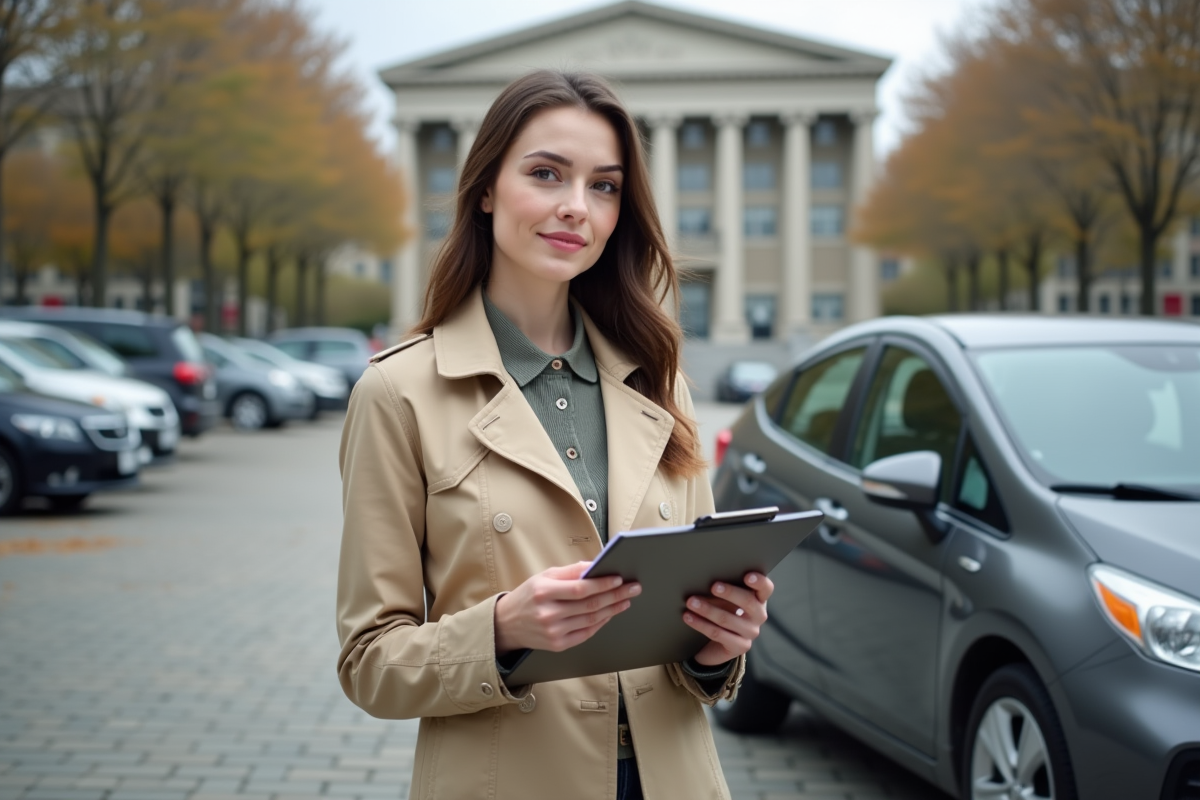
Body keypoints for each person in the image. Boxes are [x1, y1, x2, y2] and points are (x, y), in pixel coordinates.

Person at [336, 69, 774, 800]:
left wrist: (719, 647)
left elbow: (694, 657)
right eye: (546, 174)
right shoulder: (398, 392)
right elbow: (368, 664)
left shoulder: (661, 383)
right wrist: (501, 630)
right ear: (485, 189)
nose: (576, 206)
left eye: (604, 186)